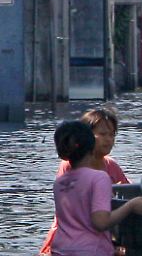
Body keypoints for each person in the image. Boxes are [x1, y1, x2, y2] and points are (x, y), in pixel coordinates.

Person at [49, 121, 142, 256]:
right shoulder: (99, 178)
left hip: (59, 249)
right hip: (90, 250)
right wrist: (131, 205)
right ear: (92, 147)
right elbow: (101, 222)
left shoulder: (59, 183)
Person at [39, 109, 132, 255]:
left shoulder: (110, 166)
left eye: (112, 134)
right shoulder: (80, 171)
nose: (108, 139)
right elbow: (99, 221)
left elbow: (129, 191)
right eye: (102, 134)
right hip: (89, 246)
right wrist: (130, 205)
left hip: (65, 246)